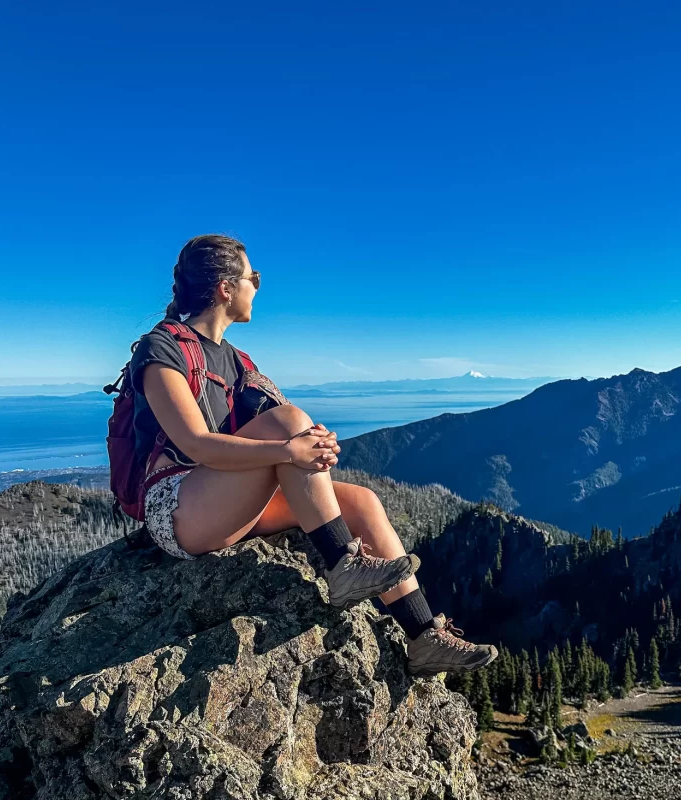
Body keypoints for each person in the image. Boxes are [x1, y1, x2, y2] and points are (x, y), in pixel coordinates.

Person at [131, 234, 497, 675]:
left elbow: (279, 432)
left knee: (362, 501)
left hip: (224, 495)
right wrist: (291, 444)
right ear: (226, 287)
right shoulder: (161, 349)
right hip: (180, 507)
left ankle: (423, 637)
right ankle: (344, 565)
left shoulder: (238, 360)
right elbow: (195, 443)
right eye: (255, 278)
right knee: (289, 423)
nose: (258, 287)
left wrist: (313, 443)